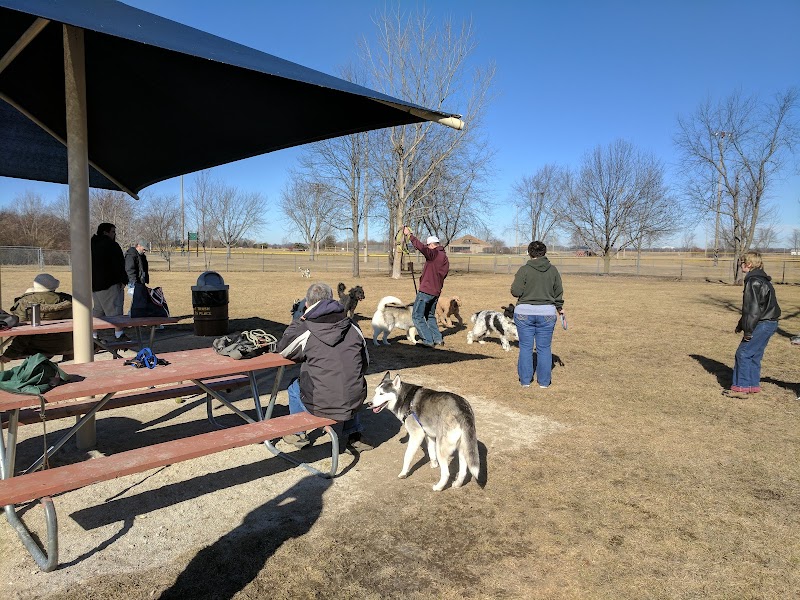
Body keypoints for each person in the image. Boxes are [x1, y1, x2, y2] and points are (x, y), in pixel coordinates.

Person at [276, 282, 373, 453]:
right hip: (354, 400)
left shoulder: (306, 327)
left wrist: (298, 320)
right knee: (348, 379)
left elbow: (283, 349)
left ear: (307, 304)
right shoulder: (352, 325)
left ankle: (298, 433)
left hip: (321, 404)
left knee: (293, 386)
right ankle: (354, 434)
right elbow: (364, 364)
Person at [725, 251, 781, 399]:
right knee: (754, 354)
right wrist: (741, 324)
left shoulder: (753, 281)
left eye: (742, 262)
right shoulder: (762, 279)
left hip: (762, 324)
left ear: (748, 264)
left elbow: (753, 310)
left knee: (743, 353)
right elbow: (753, 308)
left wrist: (748, 331)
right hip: (770, 322)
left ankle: (741, 388)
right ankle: (752, 385)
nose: (740, 265)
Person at [510, 241, 564, 389]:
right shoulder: (553, 270)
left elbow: (515, 291)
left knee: (526, 347)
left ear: (529, 253)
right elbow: (558, 291)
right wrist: (559, 308)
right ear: (544, 253)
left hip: (524, 314)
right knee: (544, 348)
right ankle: (544, 382)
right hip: (547, 314)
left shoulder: (524, 270)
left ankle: (525, 381)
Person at [0, 273, 73, 362]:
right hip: (66, 345)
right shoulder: (68, 300)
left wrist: (9, 355)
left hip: (35, 348)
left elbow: (23, 335)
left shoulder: (24, 302)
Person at [402, 225, 450, 347]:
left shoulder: (434, 254)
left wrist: (409, 235)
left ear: (432, 245)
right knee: (429, 315)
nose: (428, 248)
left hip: (426, 292)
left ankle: (428, 341)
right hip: (436, 292)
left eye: (429, 245)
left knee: (417, 316)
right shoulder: (444, 257)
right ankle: (438, 339)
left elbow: (421, 248)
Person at [91, 222, 128, 341]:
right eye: (112, 232)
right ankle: (119, 334)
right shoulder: (111, 245)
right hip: (109, 283)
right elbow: (119, 264)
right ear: (105, 232)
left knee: (98, 310)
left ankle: (93, 335)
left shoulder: (91, 244)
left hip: (94, 284)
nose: (114, 234)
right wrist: (123, 279)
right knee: (115, 309)